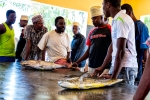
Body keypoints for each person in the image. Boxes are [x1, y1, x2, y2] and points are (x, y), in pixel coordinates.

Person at [92, 0, 138, 85]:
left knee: (120, 96)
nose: (103, 9)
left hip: (125, 66)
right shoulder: (116, 20)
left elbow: (121, 51)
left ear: (108, 4)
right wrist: (102, 67)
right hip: (119, 66)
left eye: (103, 5)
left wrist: (113, 78)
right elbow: (113, 47)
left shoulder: (122, 19)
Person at [72, 6, 111, 73]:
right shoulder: (92, 32)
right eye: (92, 19)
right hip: (91, 67)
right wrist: (77, 62)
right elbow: (88, 51)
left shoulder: (110, 29)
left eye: (95, 18)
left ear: (101, 17)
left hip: (105, 68)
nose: (93, 21)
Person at [121, 4, 150, 83]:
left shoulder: (141, 27)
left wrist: (146, 71)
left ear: (129, 12)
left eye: (124, 16)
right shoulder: (126, 26)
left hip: (135, 68)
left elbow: (146, 49)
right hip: (124, 65)